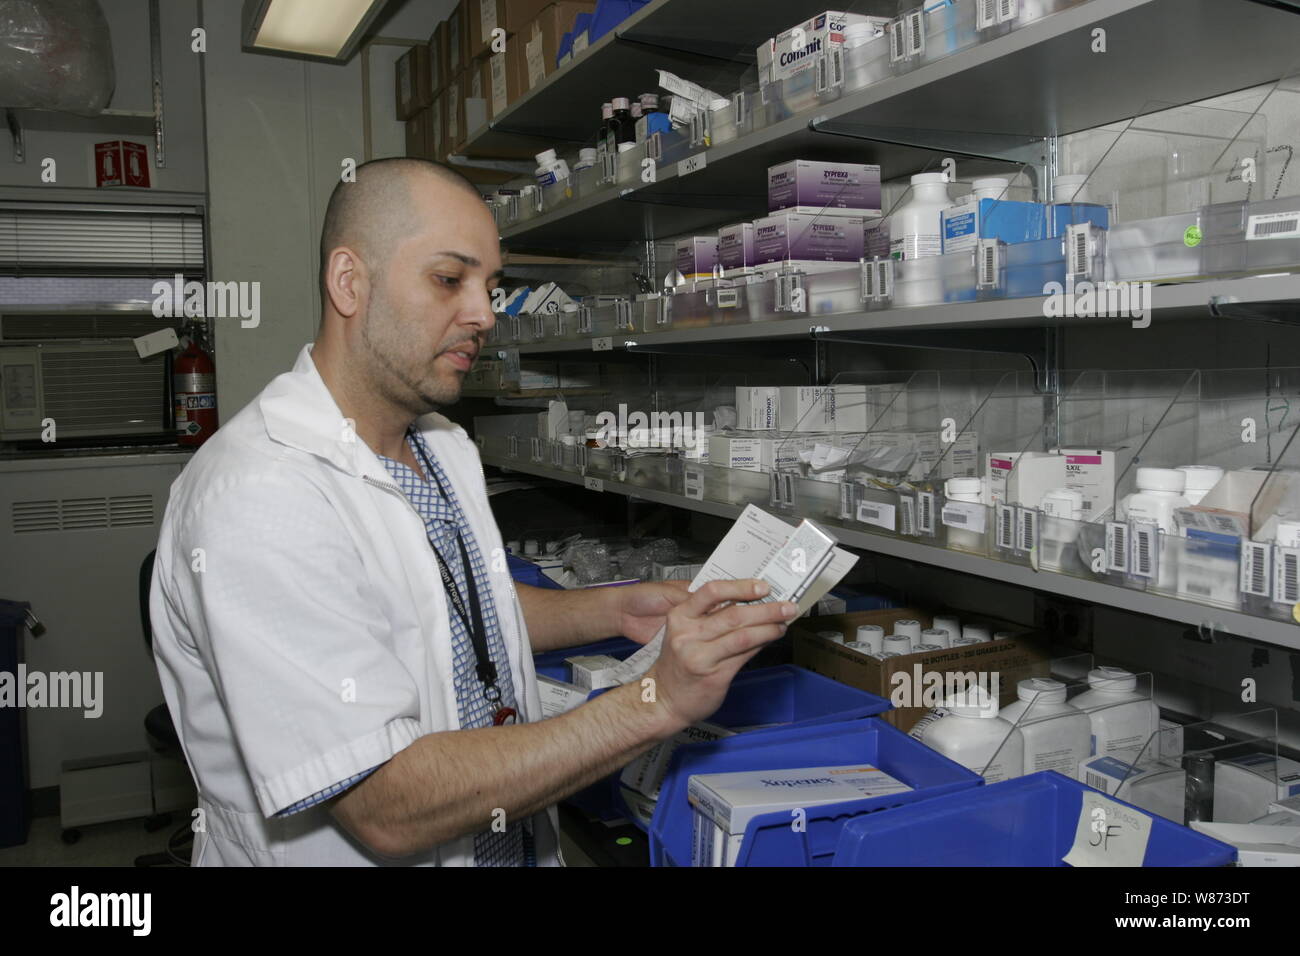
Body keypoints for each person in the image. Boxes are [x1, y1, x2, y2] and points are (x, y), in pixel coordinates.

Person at [149, 158, 798, 866]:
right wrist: (657, 701)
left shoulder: (437, 442)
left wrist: (612, 611)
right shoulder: (260, 496)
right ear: (348, 283)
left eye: (491, 285)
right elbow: (387, 805)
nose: (485, 314)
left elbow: (449, 609)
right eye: (448, 279)